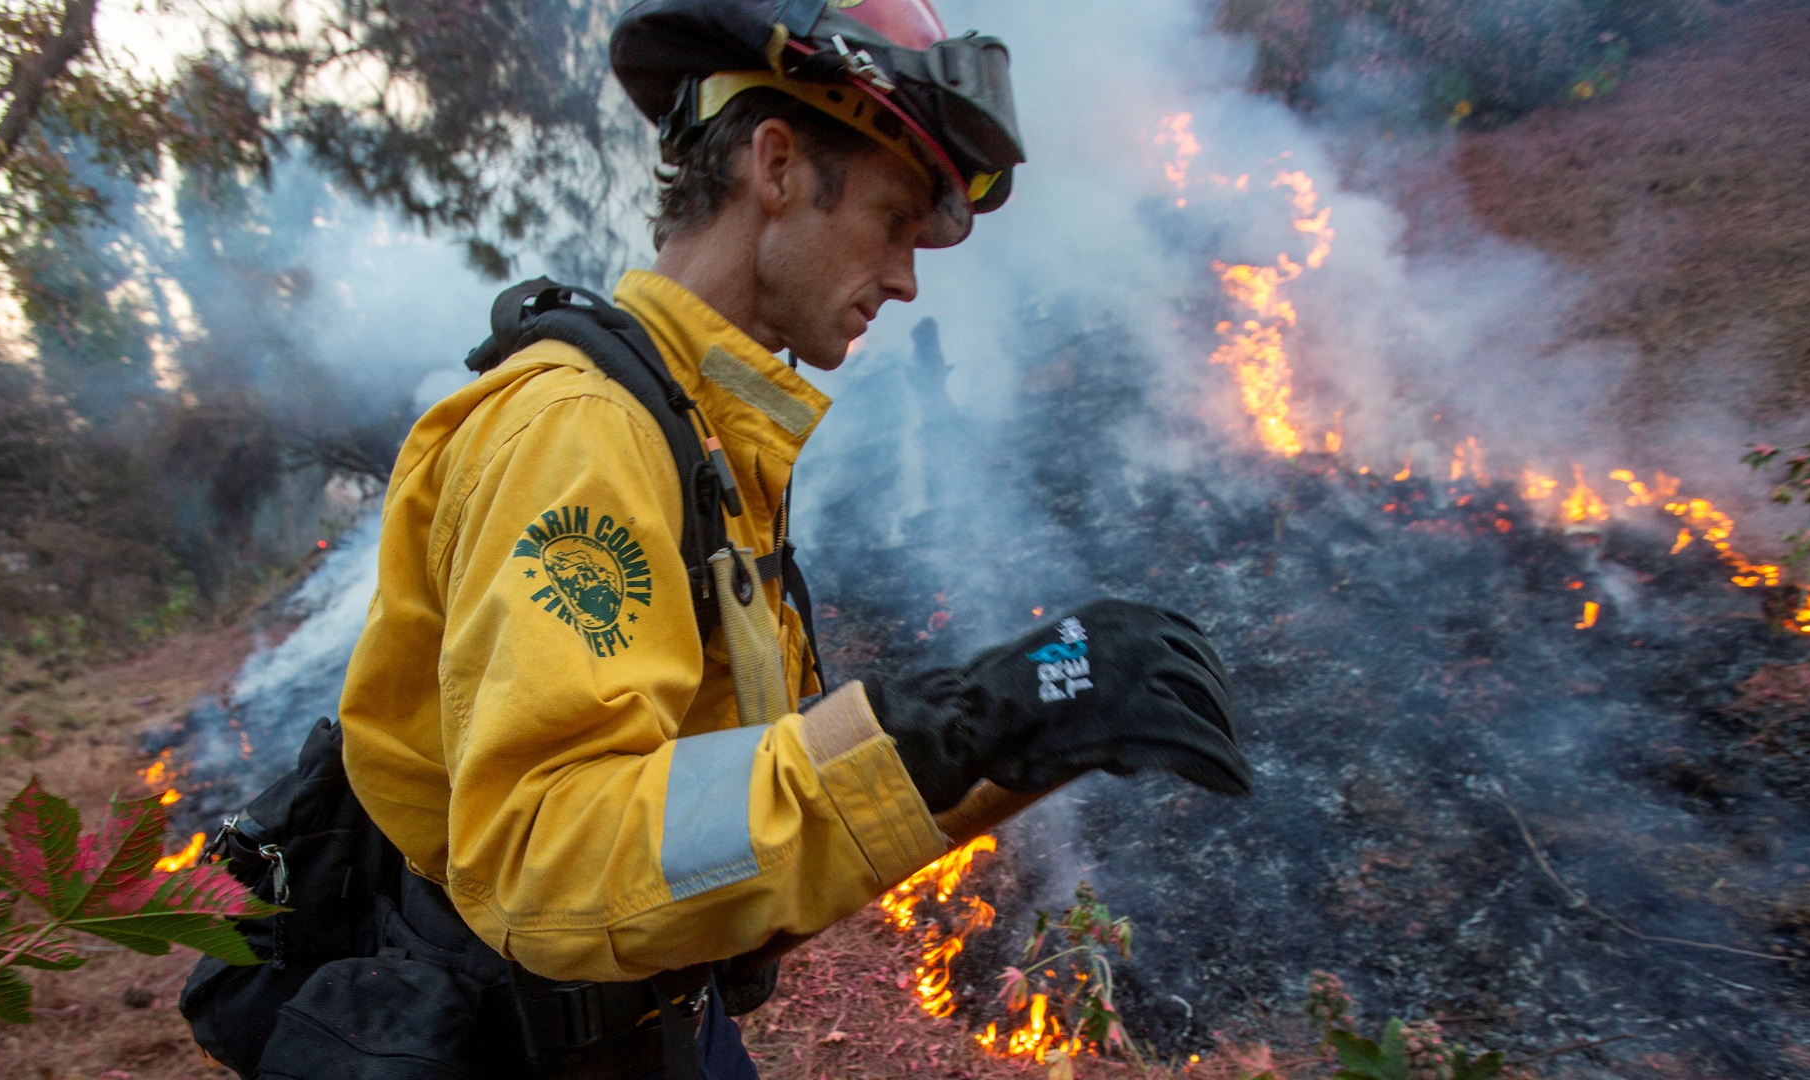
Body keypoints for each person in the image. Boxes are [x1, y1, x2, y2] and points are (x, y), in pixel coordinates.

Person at [336, 1, 1252, 1076]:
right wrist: (967, 729)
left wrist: (1013, 741)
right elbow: (549, 855)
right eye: (895, 218)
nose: (909, 277)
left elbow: (712, 816)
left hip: (652, 1015)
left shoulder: (700, 433)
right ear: (776, 167)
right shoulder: (582, 434)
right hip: (522, 1045)